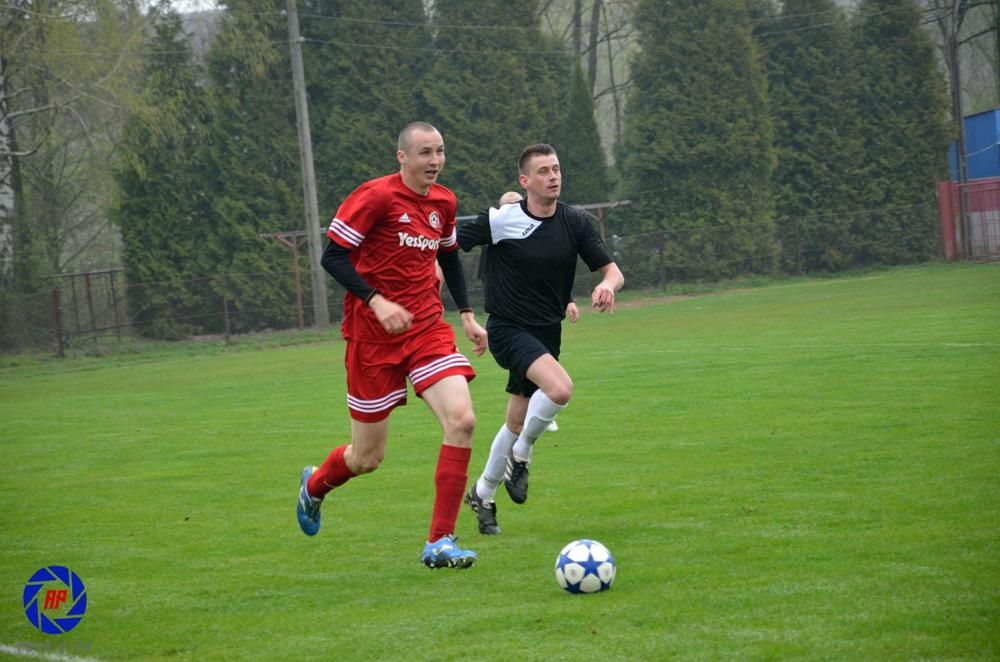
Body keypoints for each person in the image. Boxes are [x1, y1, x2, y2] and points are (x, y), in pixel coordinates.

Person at [296, 121, 488, 569]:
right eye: (425, 153)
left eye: (440, 151)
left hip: (425, 328)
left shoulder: (444, 202)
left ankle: (439, 541)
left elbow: (448, 257)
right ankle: (315, 486)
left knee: (462, 420)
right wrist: (376, 301)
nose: (435, 161)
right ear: (402, 157)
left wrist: (466, 314)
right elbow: (332, 256)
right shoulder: (376, 197)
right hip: (371, 338)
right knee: (367, 457)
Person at [458, 143, 624, 535]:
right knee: (560, 389)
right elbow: (448, 248)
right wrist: (463, 311)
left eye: (556, 169)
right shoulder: (501, 220)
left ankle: (483, 493)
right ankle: (522, 457)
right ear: (525, 181)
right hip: (507, 330)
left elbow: (613, 270)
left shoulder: (575, 221)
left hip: (548, 332)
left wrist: (607, 285)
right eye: (544, 171)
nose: (553, 177)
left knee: (516, 421)